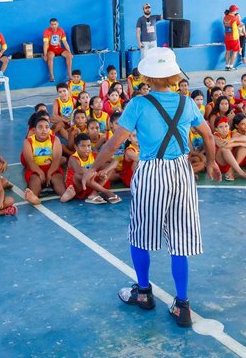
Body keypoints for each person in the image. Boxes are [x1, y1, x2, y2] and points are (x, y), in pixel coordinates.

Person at [84, 47, 221, 328]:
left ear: (146, 74)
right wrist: (211, 164)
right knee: (180, 238)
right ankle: (182, 304)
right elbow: (208, 135)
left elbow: (114, 144)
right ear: (173, 75)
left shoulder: (138, 104)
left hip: (151, 172)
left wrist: (93, 167)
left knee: (141, 234)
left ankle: (144, 292)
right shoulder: (187, 103)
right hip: (182, 172)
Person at [43, 18, 73, 82]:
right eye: (52, 24)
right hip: (50, 49)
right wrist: (45, 55)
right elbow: (45, 44)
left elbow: (65, 42)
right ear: (50, 25)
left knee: (69, 55)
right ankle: (51, 75)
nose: (53, 26)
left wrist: (70, 52)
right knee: (50, 56)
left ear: (57, 24)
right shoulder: (46, 31)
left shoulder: (61, 30)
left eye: (55, 24)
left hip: (58, 48)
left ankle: (69, 74)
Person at [223, 5, 243, 71]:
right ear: (234, 11)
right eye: (236, 10)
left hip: (227, 37)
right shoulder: (235, 18)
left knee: (228, 51)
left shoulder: (225, 17)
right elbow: (239, 24)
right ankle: (231, 66)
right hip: (234, 37)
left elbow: (225, 24)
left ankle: (226, 66)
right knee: (234, 52)